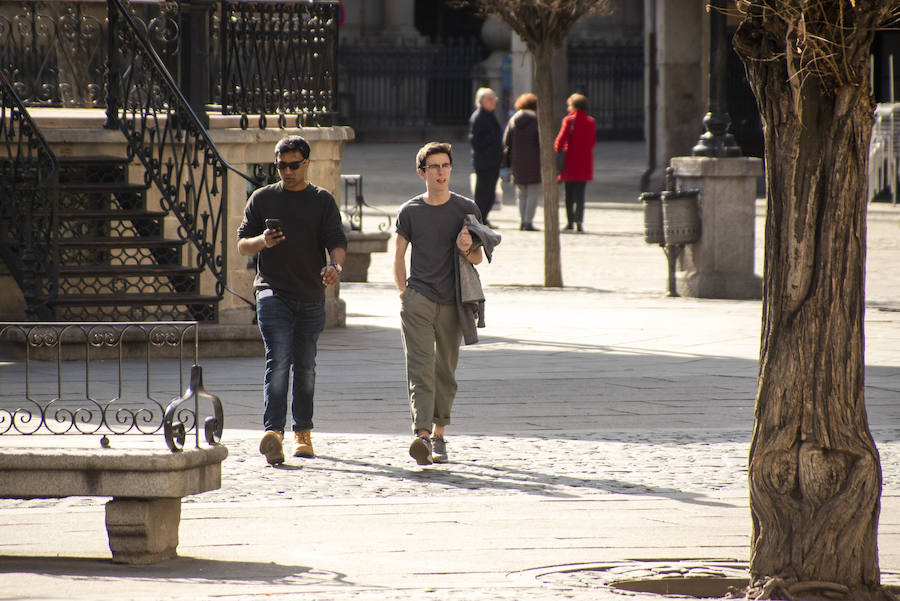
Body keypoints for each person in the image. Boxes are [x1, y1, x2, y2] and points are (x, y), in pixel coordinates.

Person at [237, 135, 347, 466]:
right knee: (279, 358)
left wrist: (335, 267)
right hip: (271, 291)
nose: (287, 171)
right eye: (282, 165)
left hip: (311, 295)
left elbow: (337, 242)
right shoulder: (262, 198)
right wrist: (262, 241)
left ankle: (303, 432)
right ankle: (274, 433)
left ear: (306, 164)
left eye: (294, 165)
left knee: (306, 366)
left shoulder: (321, 200)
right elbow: (242, 245)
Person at [394, 142, 483, 466]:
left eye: (445, 166)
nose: (441, 172)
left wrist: (465, 247)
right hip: (417, 299)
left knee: (444, 370)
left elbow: (477, 257)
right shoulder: (410, 211)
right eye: (434, 167)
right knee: (420, 369)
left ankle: (439, 433)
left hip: (452, 302)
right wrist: (404, 293)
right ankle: (421, 435)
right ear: (423, 173)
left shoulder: (466, 208)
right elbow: (399, 255)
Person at [554, 93, 596, 233]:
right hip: (584, 163)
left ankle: (570, 221)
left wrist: (558, 149)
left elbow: (559, 141)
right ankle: (579, 222)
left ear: (573, 106)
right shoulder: (591, 121)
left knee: (569, 195)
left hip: (570, 162)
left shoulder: (569, 120)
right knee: (580, 195)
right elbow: (592, 142)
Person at [502, 92, 541, 231]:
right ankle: (528, 222)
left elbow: (506, 142)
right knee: (532, 193)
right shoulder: (536, 122)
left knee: (521, 193)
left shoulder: (513, 121)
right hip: (534, 163)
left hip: (517, 162)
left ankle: (522, 220)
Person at [468, 87, 503, 228]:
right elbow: (476, 141)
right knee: (482, 193)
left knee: (490, 193)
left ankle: (484, 218)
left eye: (494, 98)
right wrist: (493, 139)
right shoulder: (478, 117)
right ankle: (478, 220)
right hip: (484, 162)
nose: (493, 101)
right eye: (489, 99)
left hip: (493, 161)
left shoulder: (491, 115)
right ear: (481, 101)